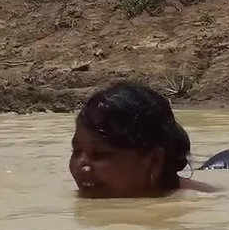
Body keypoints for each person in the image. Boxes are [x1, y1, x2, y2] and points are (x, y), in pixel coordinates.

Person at [68, 80, 218, 198]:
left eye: (100, 153)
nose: (82, 166)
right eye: (76, 151)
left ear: (154, 160)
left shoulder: (196, 203)